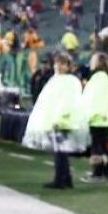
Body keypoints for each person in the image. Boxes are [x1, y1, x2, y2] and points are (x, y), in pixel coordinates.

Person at [22, 53, 89, 189]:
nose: (58, 66)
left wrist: (59, 117)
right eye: (57, 63)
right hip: (55, 119)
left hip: (62, 120)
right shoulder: (56, 79)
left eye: (62, 64)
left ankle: (60, 180)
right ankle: (66, 179)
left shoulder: (70, 81)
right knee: (59, 151)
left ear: (68, 66)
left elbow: (69, 102)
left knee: (61, 152)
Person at [81, 52, 108, 183]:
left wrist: (90, 114)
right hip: (104, 117)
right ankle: (105, 173)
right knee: (104, 147)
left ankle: (98, 173)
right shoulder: (106, 77)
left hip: (98, 117)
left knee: (98, 147)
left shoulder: (98, 78)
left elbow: (94, 99)